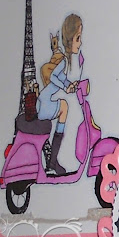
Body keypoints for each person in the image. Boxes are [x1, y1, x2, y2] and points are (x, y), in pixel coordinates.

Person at [37, 13, 83, 174]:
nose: (80, 43)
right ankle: (53, 161)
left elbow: (61, 77)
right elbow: (54, 77)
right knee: (64, 107)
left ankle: (52, 161)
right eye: (78, 38)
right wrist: (65, 88)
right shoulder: (63, 60)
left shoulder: (64, 60)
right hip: (45, 102)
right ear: (70, 39)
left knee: (64, 106)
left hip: (43, 101)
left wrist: (69, 85)